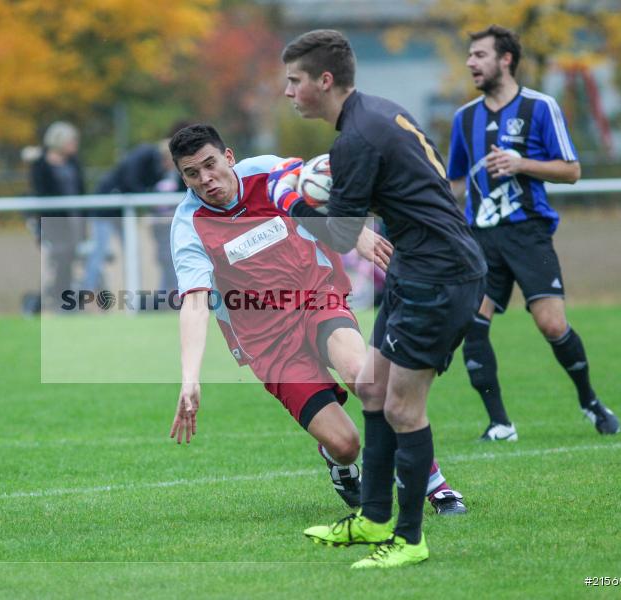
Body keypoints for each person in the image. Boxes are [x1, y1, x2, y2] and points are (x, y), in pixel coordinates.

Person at [168, 125, 469, 540]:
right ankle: (338, 461)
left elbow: (318, 197)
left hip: (316, 297)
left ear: (229, 157)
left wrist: (358, 233)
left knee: (367, 379)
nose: (206, 180)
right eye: (192, 174)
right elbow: (196, 302)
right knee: (346, 443)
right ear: (182, 178)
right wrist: (190, 377)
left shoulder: (270, 174)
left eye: (210, 165)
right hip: (267, 343)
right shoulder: (189, 226)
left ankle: (437, 487)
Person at [271, 30, 487, 568]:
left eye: (294, 81)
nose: (288, 92)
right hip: (418, 269)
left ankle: (410, 540)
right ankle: (372, 517)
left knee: (401, 408)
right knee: (370, 387)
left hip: (439, 279)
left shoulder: (355, 140)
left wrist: (291, 201)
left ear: (325, 80)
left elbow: (343, 237)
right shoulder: (379, 113)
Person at [447, 25, 620, 441]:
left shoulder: (540, 107)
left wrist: (521, 164)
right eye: (470, 55)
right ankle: (500, 423)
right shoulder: (464, 117)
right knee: (473, 323)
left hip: (529, 235)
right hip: (481, 239)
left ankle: (590, 402)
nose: (471, 62)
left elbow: (572, 171)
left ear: (505, 59)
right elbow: (454, 182)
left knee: (551, 325)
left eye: (480, 55)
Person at [82, 141, 175, 293]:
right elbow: (130, 182)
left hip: (123, 212)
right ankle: (87, 293)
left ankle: (134, 295)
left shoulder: (161, 170)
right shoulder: (144, 155)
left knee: (132, 252)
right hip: (105, 208)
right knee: (98, 252)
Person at [29, 121, 85, 307]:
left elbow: (80, 190)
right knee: (60, 260)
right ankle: (56, 300)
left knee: (68, 260)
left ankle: (63, 300)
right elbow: (42, 194)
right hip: (54, 223)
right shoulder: (40, 164)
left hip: (73, 220)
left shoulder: (73, 163)